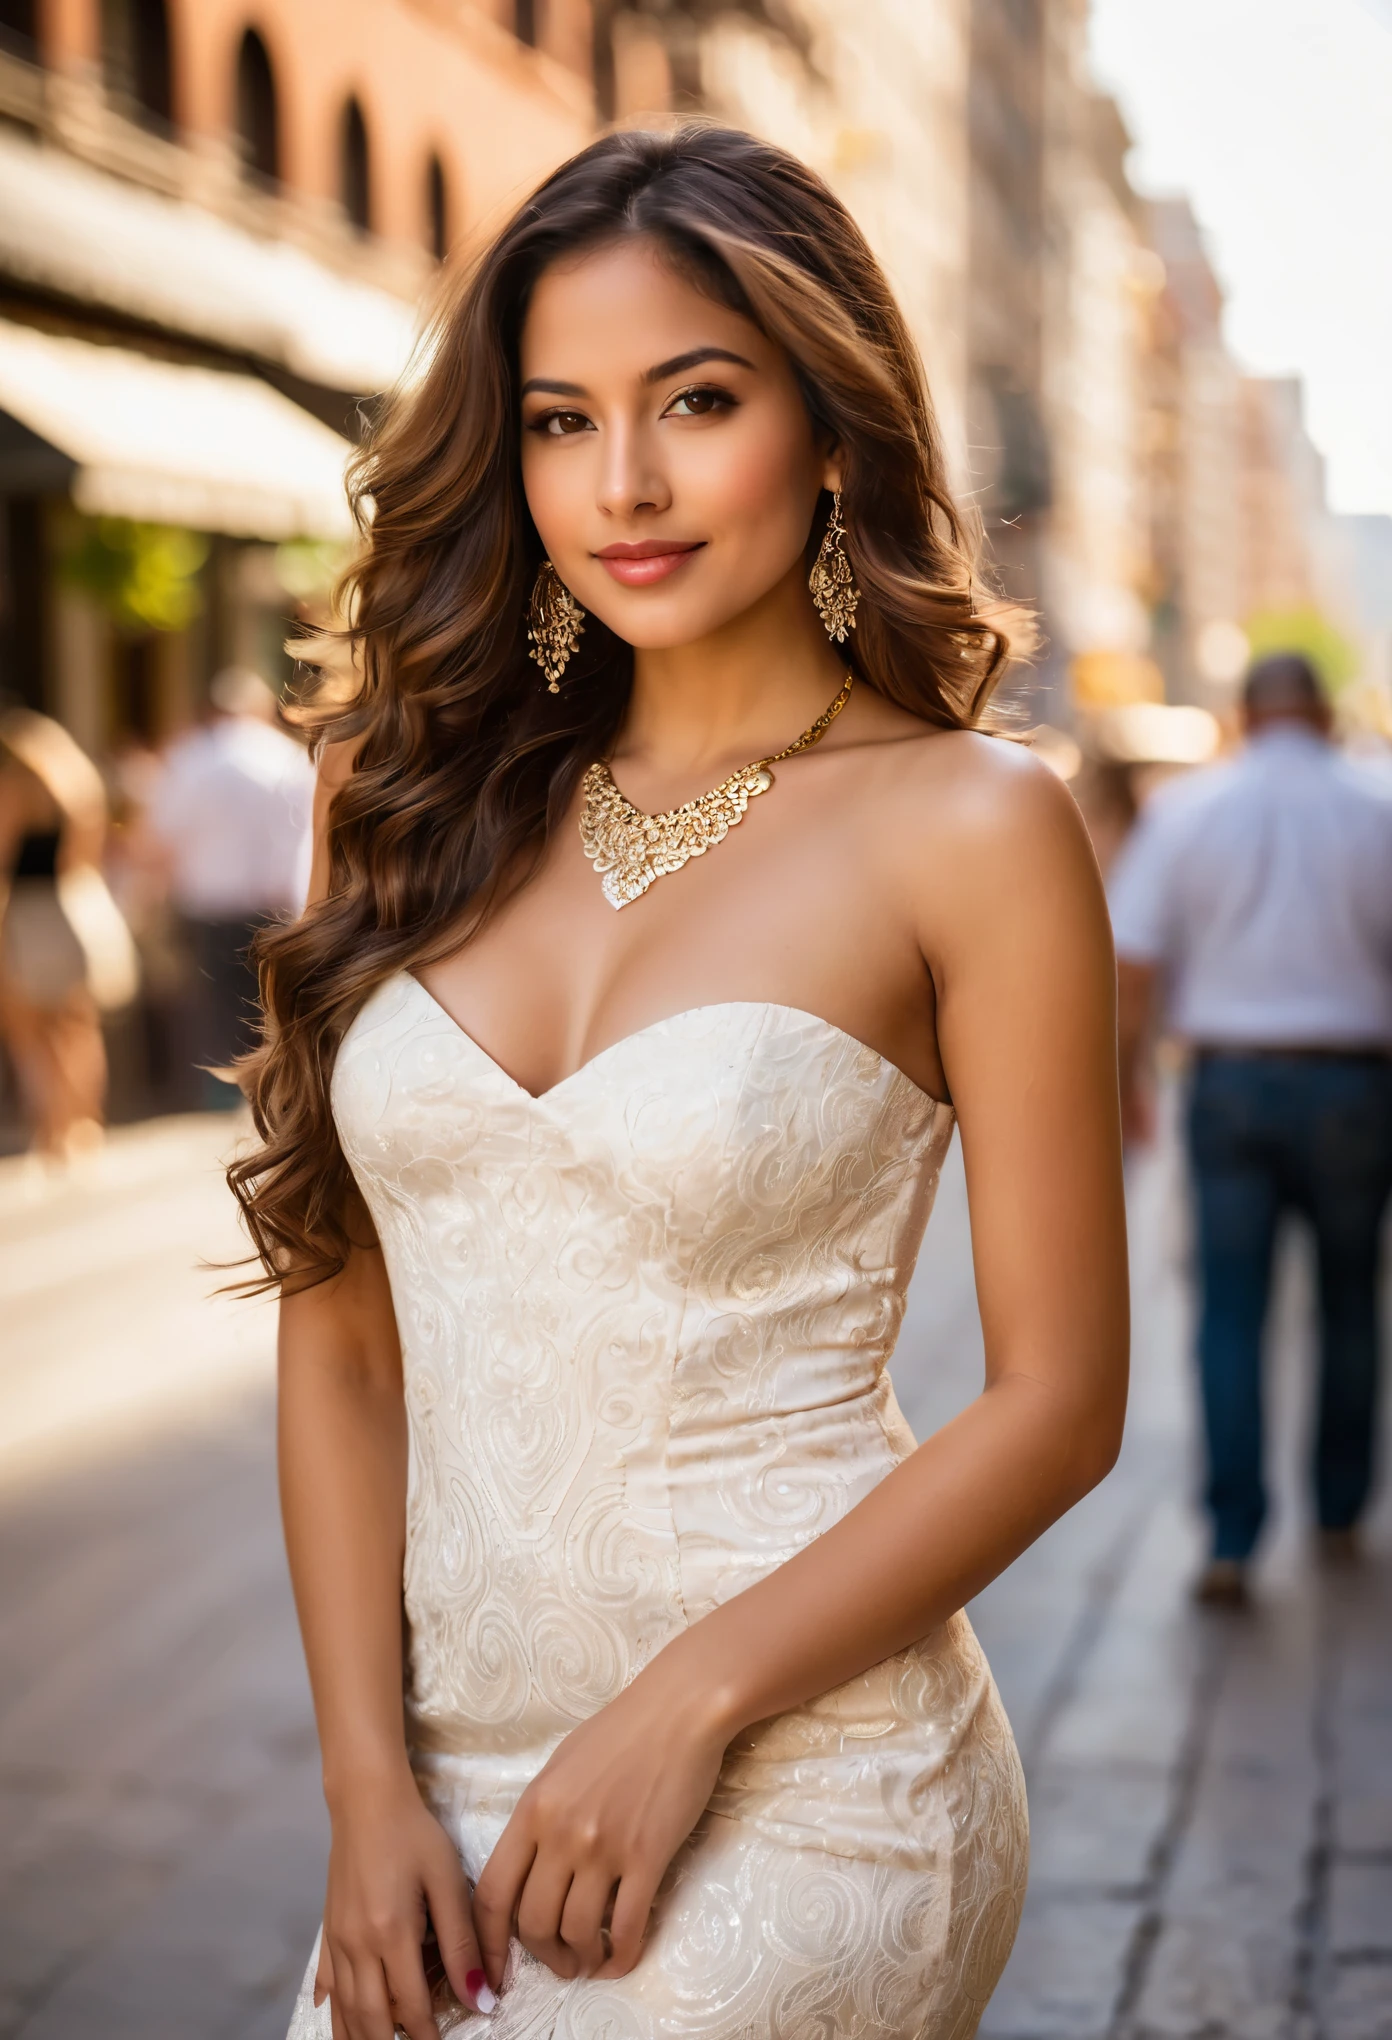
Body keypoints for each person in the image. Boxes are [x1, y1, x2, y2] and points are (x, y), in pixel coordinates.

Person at [231, 127, 1128, 2040]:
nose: (621, 484)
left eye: (695, 402)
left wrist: (687, 1702)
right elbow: (345, 1351)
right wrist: (361, 1789)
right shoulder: (396, 804)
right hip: (439, 1797)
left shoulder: (969, 825)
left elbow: (1055, 1406)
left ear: (827, 426)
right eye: (560, 420)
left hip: (811, 1777)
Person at [1112, 652, 1392, 1605]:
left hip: (1227, 1080)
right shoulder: (1379, 805)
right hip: (1356, 1083)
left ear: (1244, 714)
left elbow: (1134, 963)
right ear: (1322, 711)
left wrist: (1125, 1078)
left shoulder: (1189, 811)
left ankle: (1232, 1538)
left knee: (1229, 1312)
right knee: (1350, 1302)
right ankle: (1342, 1509)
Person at [148, 666, 313, 1107]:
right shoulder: (289, 757)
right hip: (275, 905)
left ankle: (222, 1095)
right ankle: (272, 1089)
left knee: (215, 1003)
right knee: (268, 1005)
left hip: (209, 904)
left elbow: (162, 835)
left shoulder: (191, 758)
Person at [0, 708, 138, 1160]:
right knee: (79, 1027)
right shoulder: (81, 789)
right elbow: (84, 860)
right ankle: (84, 1122)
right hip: (76, 910)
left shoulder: (15, 789)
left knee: (30, 1034)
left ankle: (52, 1130)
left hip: (25, 918)